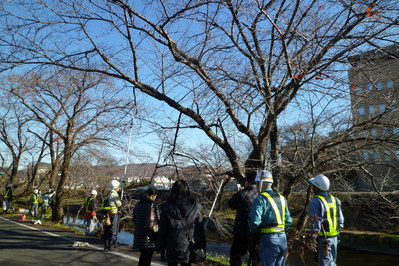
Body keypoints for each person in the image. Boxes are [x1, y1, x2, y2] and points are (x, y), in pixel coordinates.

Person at [158, 180, 206, 266]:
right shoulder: (194, 207)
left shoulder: (167, 207)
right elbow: (200, 230)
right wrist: (203, 247)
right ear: (187, 190)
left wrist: (161, 247)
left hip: (172, 245)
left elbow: (163, 230)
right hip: (189, 245)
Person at [249, 170, 292, 266]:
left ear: (261, 184)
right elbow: (288, 220)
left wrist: (252, 230)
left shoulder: (260, 198)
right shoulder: (282, 198)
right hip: (282, 238)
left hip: (268, 239)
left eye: (257, 183)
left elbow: (255, 221)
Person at [307, 174, 344, 266]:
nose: (312, 188)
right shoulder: (335, 199)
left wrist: (312, 237)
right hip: (334, 237)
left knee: (326, 263)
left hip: (323, 239)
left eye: (313, 186)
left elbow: (315, 222)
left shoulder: (316, 201)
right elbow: (341, 220)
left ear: (317, 188)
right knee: (332, 261)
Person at [228, 170, 259, 266]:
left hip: (242, 229)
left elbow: (230, 204)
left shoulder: (242, 194)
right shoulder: (261, 194)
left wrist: (239, 192)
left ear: (247, 181)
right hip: (257, 230)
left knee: (236, 256)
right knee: (255, 257)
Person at [133, 187, 160, 266]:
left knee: (142, 258)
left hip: (139, 235)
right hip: (149, 237)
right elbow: (155, 223)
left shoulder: (138, 204)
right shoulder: (153, 205)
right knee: (147, 259)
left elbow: (135, 220)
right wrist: (157, 235)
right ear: (153, 196)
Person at [100, 179, 122, 252]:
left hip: (106, 214)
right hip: (112, 214)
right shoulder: (114, 194)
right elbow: (119, 204)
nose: (119, 188)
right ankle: (111, 246)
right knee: (113, 230)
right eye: (118, 186)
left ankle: (106, 246)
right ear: (115, 187)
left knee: (107, 230)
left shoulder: (108, 193)